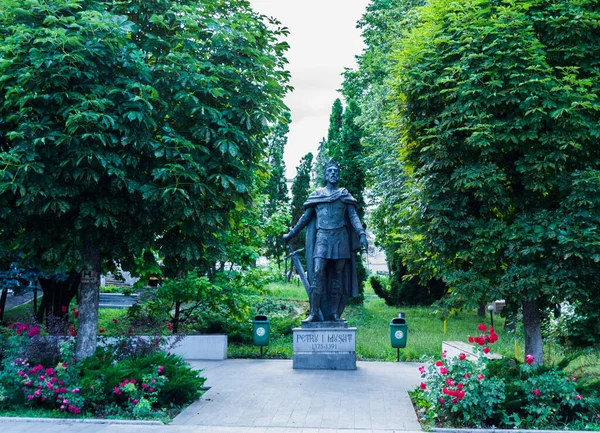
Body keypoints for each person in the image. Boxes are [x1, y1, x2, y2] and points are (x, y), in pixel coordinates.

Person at [283, 160, 368, 322]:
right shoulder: (317, 195)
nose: (333, 173)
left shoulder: (344, 195)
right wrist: (291, 234)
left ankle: (335, 313)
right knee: (317, 273)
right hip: (322, 238)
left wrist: (361, 233)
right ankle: (314, 312)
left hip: (340, 238)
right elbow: (305, 218)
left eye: (336, 171)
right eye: (330, 171)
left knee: (338, 276)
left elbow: (353, 216)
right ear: (325, 175)